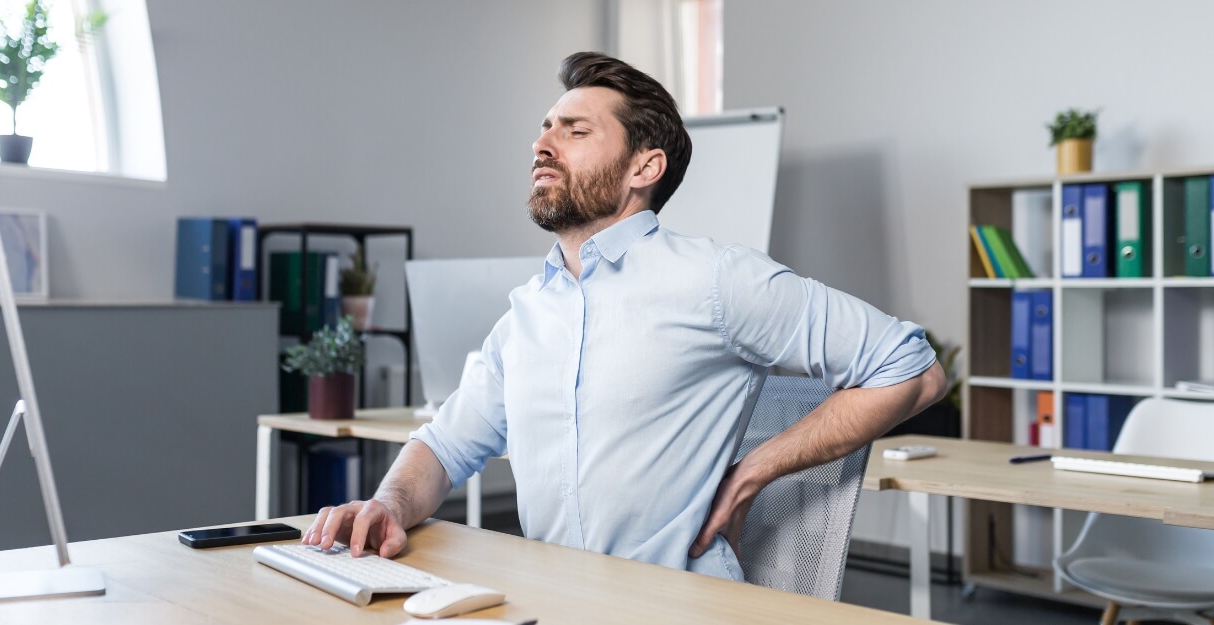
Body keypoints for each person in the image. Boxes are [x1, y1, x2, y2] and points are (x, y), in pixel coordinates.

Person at [304, 51, 946, 581]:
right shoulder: (528, 313)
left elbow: (912, 369)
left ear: (645, 166)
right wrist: (389, 503)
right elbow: (443, 446)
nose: (542, 144)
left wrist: (757, 466)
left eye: (575, 131)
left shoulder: (716, 279)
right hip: (555, 600)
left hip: (675, 607)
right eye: (545, 128)